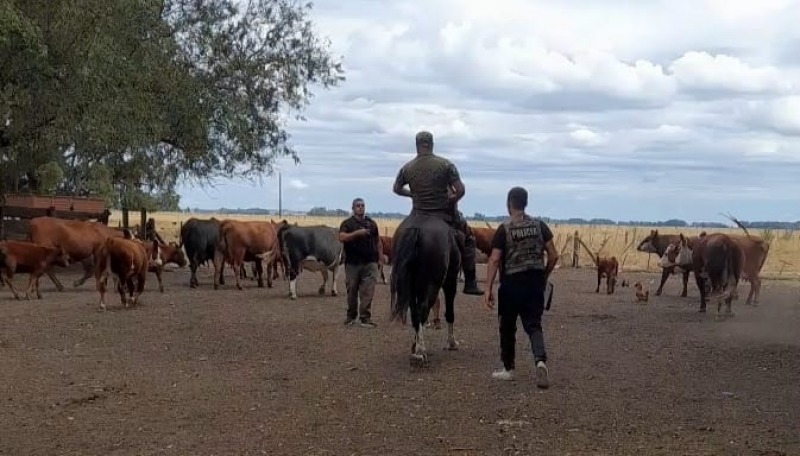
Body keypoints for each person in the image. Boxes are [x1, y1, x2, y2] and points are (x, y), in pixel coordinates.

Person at [483, 186, 559, 389]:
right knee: (534, 325)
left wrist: (488, 288)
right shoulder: (540, 226)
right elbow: (553, 255)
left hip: (511, 285)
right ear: (525, 203)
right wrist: (543, 275)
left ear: (509, 205)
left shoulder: (504, 229)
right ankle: (540, 361)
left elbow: (494, 259)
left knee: (507, 326)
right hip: (534, 283)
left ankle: (508, 369)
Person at [392, 130, 484, 295]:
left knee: (399, 236)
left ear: (417, 145)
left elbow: (396, 189)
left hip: (416, 212)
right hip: (442, 213)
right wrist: (450, 200)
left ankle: (397, 273)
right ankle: (470, 282)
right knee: (469, 238)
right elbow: (461, 190)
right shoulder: (446, 165)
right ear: (432, 144)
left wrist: (412, 194)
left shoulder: (406, 168)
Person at [338, 197, 380, 328]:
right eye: (358, 205)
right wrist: (357, 233)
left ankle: (365, 318)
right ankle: (351, 316)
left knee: (368, 291)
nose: (360, 207)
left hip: (370, 262)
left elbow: (377, 241)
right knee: (351, 290)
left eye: (362, 205)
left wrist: (380, 258)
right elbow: (341, 237)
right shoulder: (347, 224)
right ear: (352, 208)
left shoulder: (371, 223)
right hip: (352, 263)